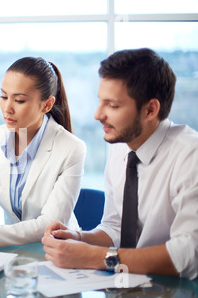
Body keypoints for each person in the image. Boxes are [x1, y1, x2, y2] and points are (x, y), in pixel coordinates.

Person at [42, 48, 198, 280]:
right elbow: (115, 227)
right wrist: (79, 238)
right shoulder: (120, 147)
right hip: (128, 284)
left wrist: (93, 257)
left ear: (150, 110)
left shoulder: (190, 156)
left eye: (112, 105)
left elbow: (189, 253)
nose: (97, 114)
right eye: (100, 102)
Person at [0, 57, 86, 248]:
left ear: (46, 105)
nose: (7, 108)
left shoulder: (71, 149)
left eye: (19, 100)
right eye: (3, 97)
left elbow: (48, 224)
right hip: (12, 251)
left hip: (56, 250)